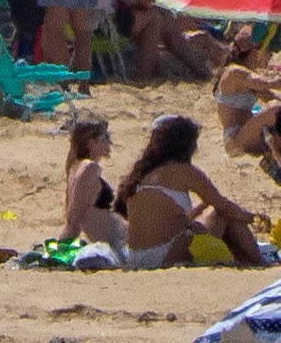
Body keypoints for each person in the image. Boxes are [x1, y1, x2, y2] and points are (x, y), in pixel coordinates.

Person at [118, 114, 272, 269]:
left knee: (205, 207)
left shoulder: (141, 173)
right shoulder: (184, 171)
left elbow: (168, 219)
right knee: (221, 213)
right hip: (166, 255)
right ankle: (258, 261)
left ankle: (245, 260)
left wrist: (201, 208)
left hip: (136, 257)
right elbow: (222, 205)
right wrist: (253, 218)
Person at [212, 36, 281, 169]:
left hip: (249, 132)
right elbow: (269, 84)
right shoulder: (233, 72)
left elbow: (271, 95)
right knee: (274, 109)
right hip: (236, 138)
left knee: (275, 109)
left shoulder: (248, 78)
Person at [62, 117, 127, 257]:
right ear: (91, 143)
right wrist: (62, 250)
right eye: (105, 137)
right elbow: (73, 218)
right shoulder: (89, 168)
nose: (109, 142)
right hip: (117, 243)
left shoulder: (76, 166)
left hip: (116, 240)